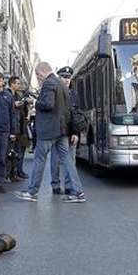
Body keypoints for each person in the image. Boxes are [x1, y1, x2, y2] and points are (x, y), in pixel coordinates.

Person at [18, 62, 86, 203]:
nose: (38, 77)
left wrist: (35, 102)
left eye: (38, 74)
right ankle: (78, 192)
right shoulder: (62, 84)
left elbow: (48, 104)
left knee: (39, 159)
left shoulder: (49, 83)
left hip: (49, 130)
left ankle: (32, 191)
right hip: (62, 130)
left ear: (43, 71)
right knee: (68, 161)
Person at [50, 66, 80, 195]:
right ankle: (55, 185)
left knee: (70, 161)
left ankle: (68, 186)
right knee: (55, 160)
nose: (66, 80)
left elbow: (76, 115)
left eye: (68, 77)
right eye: (63, 77)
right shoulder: (54, 92)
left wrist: (76, 133)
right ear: (59, 78)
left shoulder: (74, 94)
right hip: (56, 131)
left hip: (70, 132)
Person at [6, 76, 31, 181]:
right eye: (18, 83)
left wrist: (25, 104)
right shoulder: (6, 95)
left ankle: (15, 173)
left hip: (19, 127)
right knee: (9, 152)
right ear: (12, 84)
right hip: (10, 128)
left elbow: (21, 112)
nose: (19, 85)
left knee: (16, 151)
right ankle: (8, 174)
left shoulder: (17, 95)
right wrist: (13, 104)